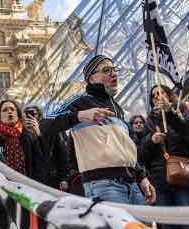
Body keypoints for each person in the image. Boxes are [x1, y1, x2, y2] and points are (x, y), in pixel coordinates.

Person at [42, 55, 156, 205]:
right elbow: (44, 124)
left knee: (143, 228)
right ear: (91, 78)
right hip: (103, 185)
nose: (114, 73)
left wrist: (142, 177)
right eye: (106, 70)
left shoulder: (118, 108)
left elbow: (126, 149)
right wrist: (80, 115)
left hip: (132, 185)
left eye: (114, 70)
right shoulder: (80, 101)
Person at [139, 85, 189, 225]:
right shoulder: (149, 122)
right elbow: (141, 156)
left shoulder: (181, 112)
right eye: (153, 95)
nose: (157, 96)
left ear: (169, 95)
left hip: (182, 176)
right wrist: (151, 141)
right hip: (160, 181)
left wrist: (170, 113)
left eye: (160, 92)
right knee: (168, 226)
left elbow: (188, 136)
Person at [0, 100, 48, 183]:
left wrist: (38, 136)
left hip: (28, 186)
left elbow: (41, 162)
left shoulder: (28, 136)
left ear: (17, 114)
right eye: (5, 110)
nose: (9, 111)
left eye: (12, 109)